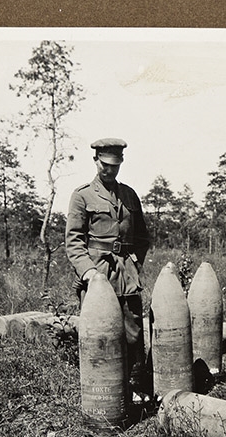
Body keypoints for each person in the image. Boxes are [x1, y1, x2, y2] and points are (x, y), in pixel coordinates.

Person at [64, 138, 151, 399]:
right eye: (104, 164)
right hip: (97, 274)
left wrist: (136, 261)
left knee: (134, 332)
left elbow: (143, 237)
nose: (108, 170)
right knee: (101, 334)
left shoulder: (130, 195)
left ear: (120, 163)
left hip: (127, 273)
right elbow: (74, 240)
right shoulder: (82, 195)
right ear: (95, 161)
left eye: (114, 165)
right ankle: (102, 392)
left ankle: (134, 387)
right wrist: (88, 272)